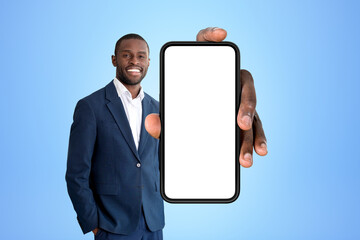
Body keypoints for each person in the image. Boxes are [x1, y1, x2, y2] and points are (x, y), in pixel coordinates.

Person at [66, 27, 267, 240]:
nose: (134, 61)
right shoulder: (90, 107)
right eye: (127, 55)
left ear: (149, 62)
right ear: (114, 60)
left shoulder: (160, 109)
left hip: (153, 223)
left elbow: (169, 162)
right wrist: (93, 223)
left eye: (141, 56)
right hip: (112, 224)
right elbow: (76, 173)